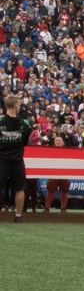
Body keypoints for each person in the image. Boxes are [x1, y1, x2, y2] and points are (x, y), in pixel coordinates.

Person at [0, 95, 32, 223]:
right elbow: (25, 141)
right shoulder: (24, 124)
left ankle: (17, 214)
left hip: (2, 159)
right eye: (18, 105)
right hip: (17, 159)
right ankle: (18, 215)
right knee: (20, 188)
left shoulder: (1, 123)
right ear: (15, 106)